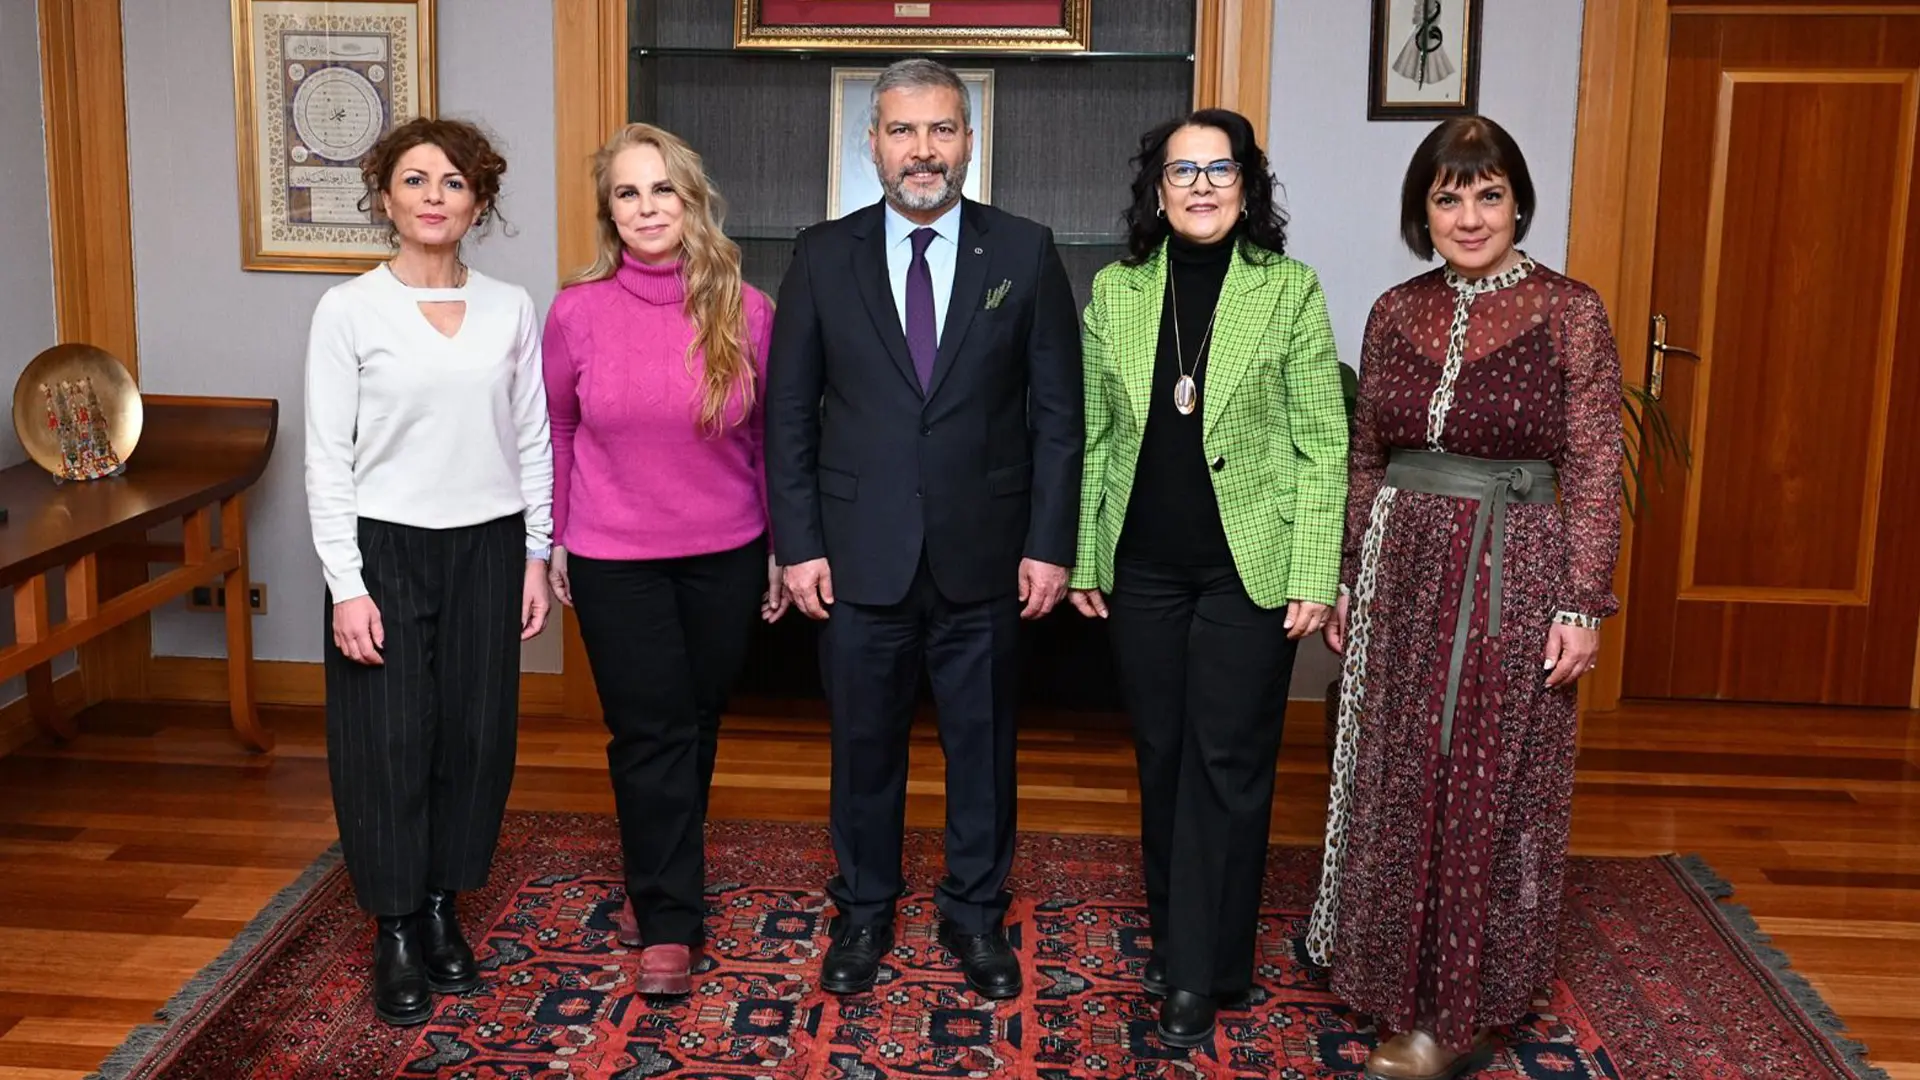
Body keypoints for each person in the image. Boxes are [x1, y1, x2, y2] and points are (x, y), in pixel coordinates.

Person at [1305, 116, 1623, 1079]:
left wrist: (1580, 603)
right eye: (1449, 198)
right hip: (1400, 570)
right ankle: (1384, 974)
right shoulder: (1394, 310)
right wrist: (1351, 573)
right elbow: (1367, 455)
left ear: (1518, 202)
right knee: (1401, 775)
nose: (1470, 216)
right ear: (1423, 212)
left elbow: (1595, 465)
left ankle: (1456, 1015)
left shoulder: (1570, 311)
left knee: (1487, 780)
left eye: (1489, 194)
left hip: (1511, 571)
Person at [764, 57, 1083, 1000]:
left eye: (942, 129)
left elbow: (1058, 416)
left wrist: (1050, 543)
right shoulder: (822, 255)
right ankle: (864, 911)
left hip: (986, 553)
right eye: (903, 131)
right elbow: (789, 415)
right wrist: (798, 545)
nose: (923, 150)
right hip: (857, 555)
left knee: (982, 750)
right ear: (871, 144)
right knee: (864, 750)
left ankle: (975, 916)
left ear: (969, 141)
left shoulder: (1024, 251)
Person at [1066, 109, 1348, 1046]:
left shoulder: (1289, 290)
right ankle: (1189, 940)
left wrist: (1315, 568)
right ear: (1157, 190)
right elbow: (1094, 435)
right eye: (1181, 171)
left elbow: (1324, 444)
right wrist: (1085, 553)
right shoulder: (1117, 291)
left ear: (1246, 185)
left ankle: (1198, 969)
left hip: (1248, 565)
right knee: (1162, 754)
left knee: (1226, 760)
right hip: (1142, 566)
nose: (1200, 186)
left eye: (1219, 169)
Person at [304, 116, 554, 1027]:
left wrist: (536, 553)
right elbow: (327, 456)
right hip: (384, 548)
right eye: (415, 180)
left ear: (478, 202)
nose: (434, 197)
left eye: (453, 181)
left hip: (489, 543)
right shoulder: (347, 310)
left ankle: (446, 906)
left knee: (477, 736)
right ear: (385, 199)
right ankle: (398, 927)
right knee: (388, 741)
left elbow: (532, 437)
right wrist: (346, 583)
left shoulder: (510, 307)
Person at [542, 122, 786, 997]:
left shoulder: (747, 309)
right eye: (627, 192)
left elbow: (769, 439)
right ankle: (670, 922)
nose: (647, 208)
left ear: (691, 200)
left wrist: (779, 548)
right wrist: (555, 538)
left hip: (726, 552)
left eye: (662, 190)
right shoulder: (576, 312)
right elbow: (558, 428)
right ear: (609, 211)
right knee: (651, 732)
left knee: (695, 724)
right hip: (615, 557)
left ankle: (664, 872)